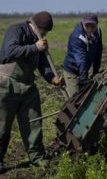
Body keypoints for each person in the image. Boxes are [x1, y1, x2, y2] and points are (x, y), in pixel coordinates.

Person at [0, 11, 62, 174]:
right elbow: (10, 51)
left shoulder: (38, 39)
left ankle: (37, 157)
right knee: (2, 125)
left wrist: (52, 78)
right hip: (7, 85)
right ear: (34, 26)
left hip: (28, 86)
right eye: (43, 32)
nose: (44, 35)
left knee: (33, 122)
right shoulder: (16, 30)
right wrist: (35, 47)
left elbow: (42, 63)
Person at [63, 13, 102, 98]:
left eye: (93, 26)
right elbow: (81, 59)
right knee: (75, 99)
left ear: (97, 24)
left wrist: (96, 71)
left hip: (84, 68)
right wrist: (84, 79)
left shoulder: (98, 32)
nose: (90, 29)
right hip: (72, 71)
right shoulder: (77, 37)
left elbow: (98, 52)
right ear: (82, 23)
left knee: (85, 96)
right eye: (87, 26)